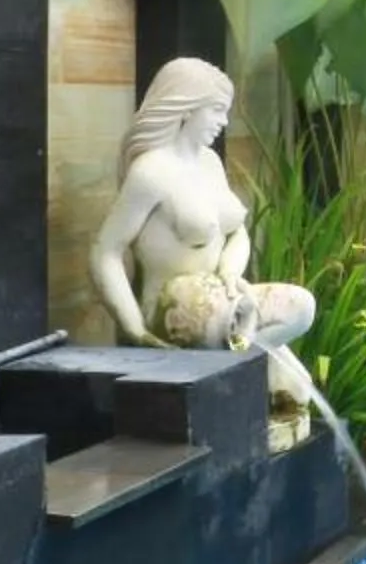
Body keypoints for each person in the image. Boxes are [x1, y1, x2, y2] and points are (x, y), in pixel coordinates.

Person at [90, 57, 315, 394]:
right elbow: (105, 251)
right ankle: (235, 368)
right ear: (186, 109)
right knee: (259, 353)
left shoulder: (210, 163)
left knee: (301, 309)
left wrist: (230, 271)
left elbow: (236, 230)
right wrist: (134, 325)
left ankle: (236, 363)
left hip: (220, 296)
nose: (224, 121)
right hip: (172, 307)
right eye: (217, 110)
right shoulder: (152, 171)